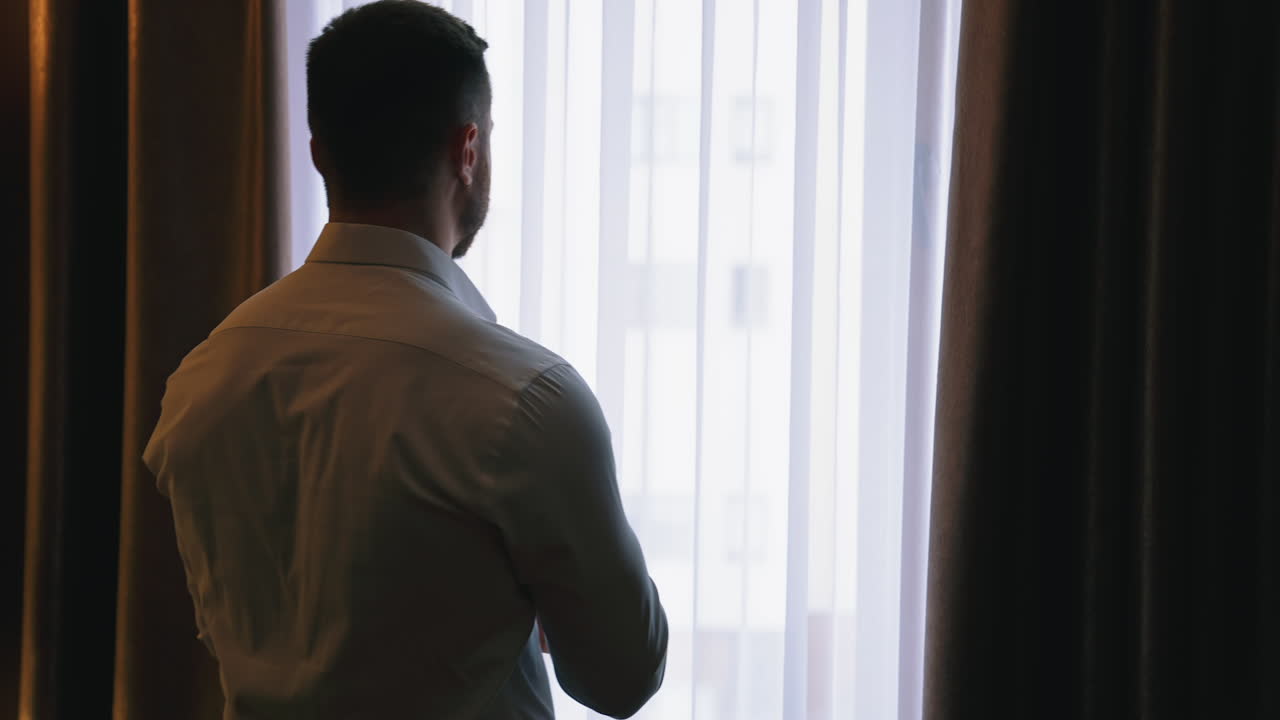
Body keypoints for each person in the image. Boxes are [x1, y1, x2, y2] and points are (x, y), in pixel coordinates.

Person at [142, 2, 668, 717]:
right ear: (468, 150)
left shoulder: (201, 381)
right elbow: (621, 678)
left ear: (319, 150)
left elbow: (236, 628)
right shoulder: (525, 401)